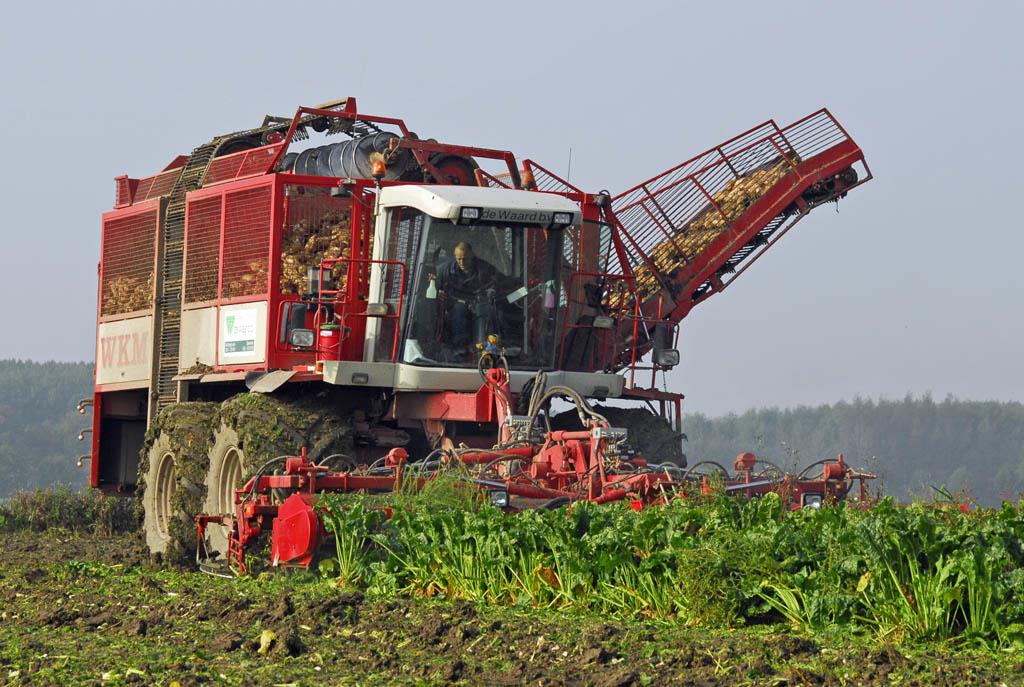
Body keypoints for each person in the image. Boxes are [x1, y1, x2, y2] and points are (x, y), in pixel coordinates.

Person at [436, 242, 501, 348]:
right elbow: (433, 282)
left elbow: (498, 283)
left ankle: (482, 347)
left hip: (479, 303)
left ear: (471, 256)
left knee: (483, 311)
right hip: (455, 303)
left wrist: (491, 291)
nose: (461, 262)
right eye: (458, 259)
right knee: (459, 310)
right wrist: (438, 291)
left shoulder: (485, 269)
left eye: (465, 259)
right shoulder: (445, 270)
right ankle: (459, 348)